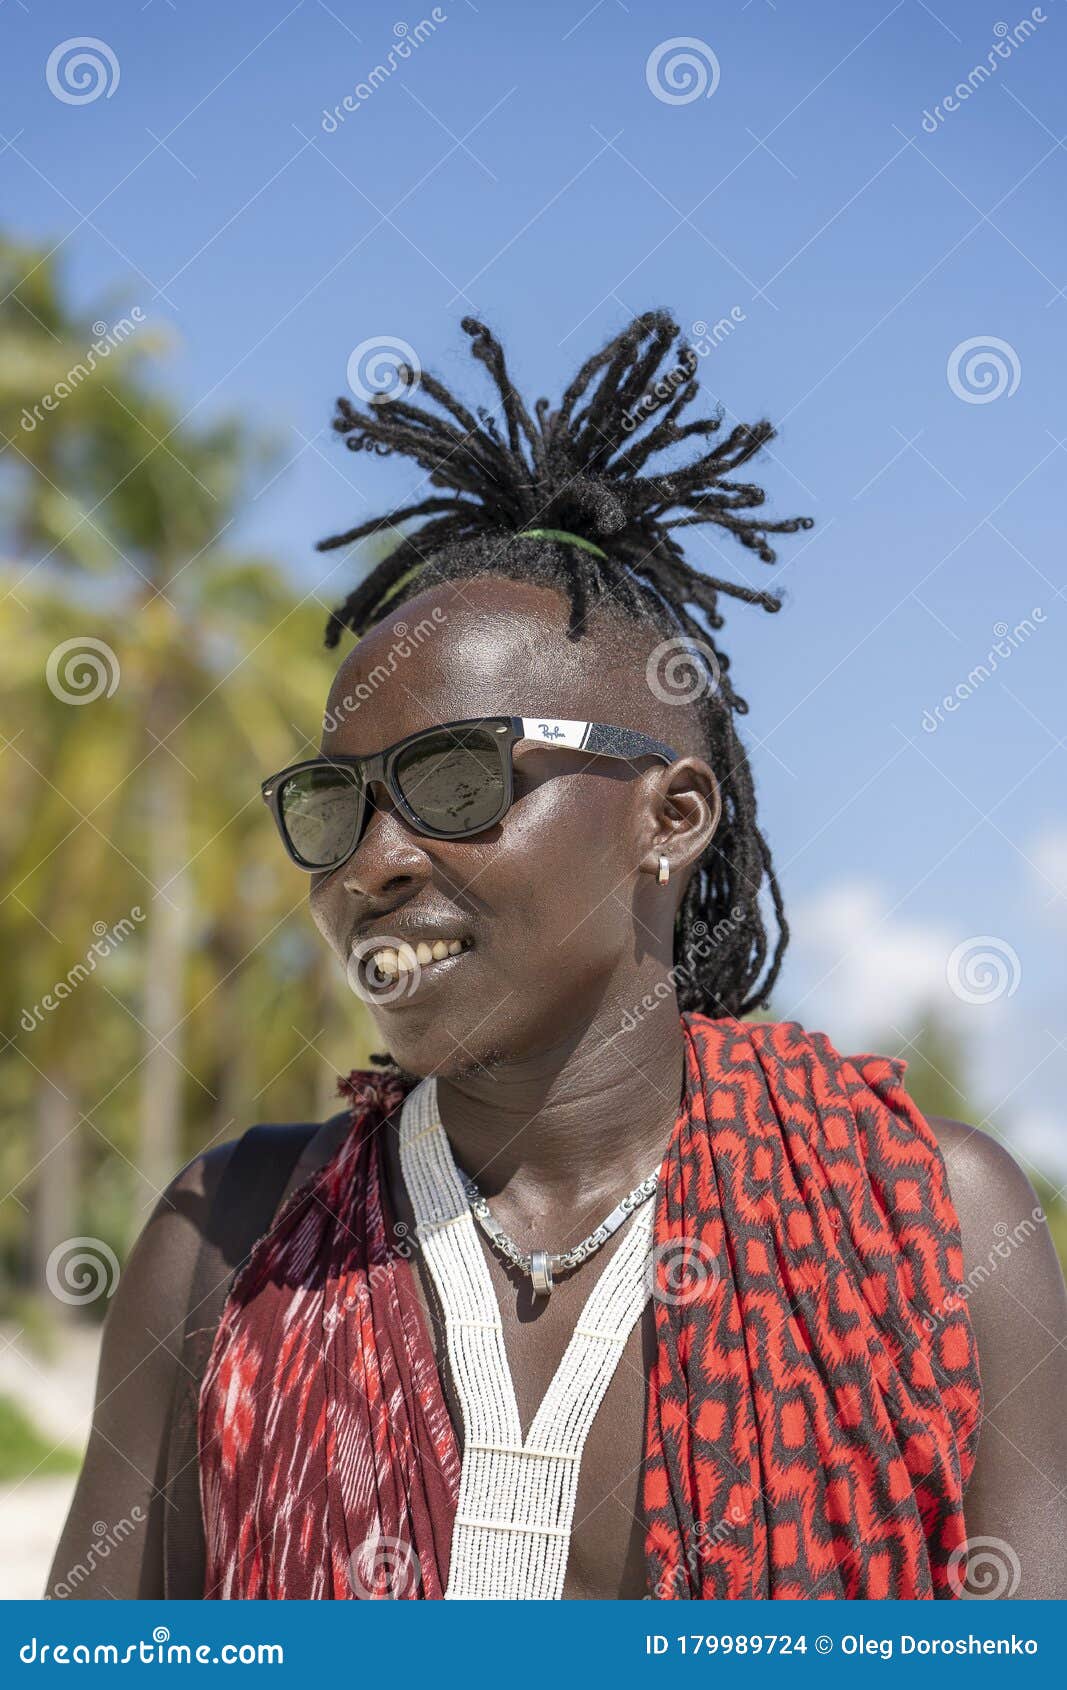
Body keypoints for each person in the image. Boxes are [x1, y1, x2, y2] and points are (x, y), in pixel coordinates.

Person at [50, 313, 1067, 1601]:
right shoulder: (225, 1247)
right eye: (334, 806)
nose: (374, 864)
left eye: (460, 779)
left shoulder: (927, 1221)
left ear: (670, 817)